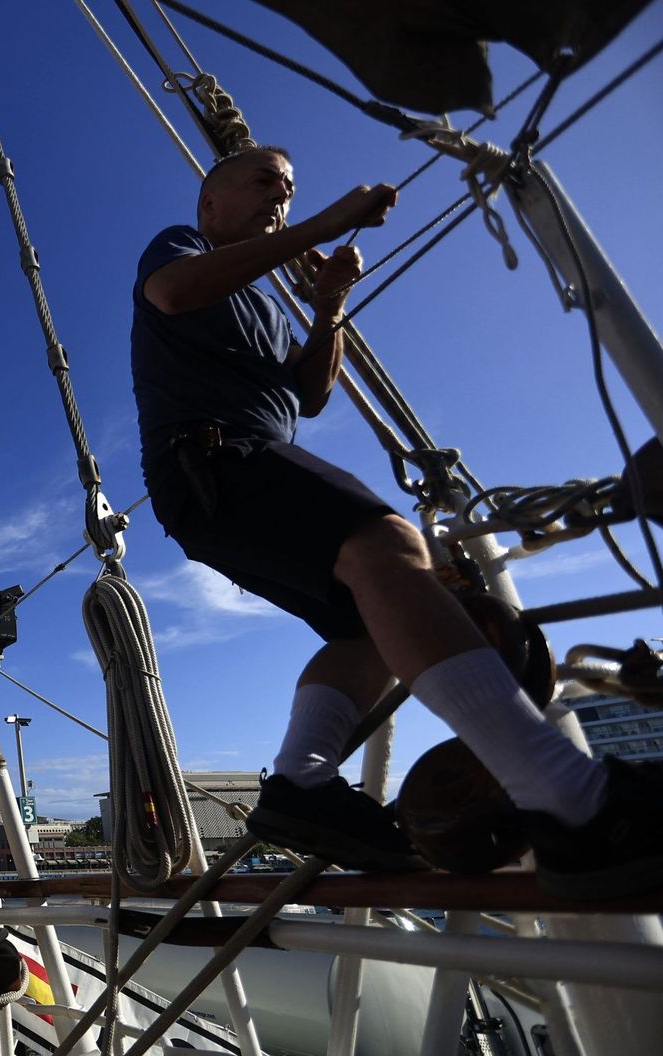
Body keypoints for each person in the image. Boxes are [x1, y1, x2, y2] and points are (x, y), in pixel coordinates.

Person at [131, 145, 663, 897]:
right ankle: (572, 802)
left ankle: (298, 784)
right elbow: (174, 295)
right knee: (388, 542)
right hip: (216, 459)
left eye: (289, 188)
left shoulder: (261, 303)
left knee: (371, 623)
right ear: (210, 204)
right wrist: (330, 218)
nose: (279, 195)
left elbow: (309, 394)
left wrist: (327, 307)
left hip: (231, 477)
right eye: (265, 182)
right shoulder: (181, 247)